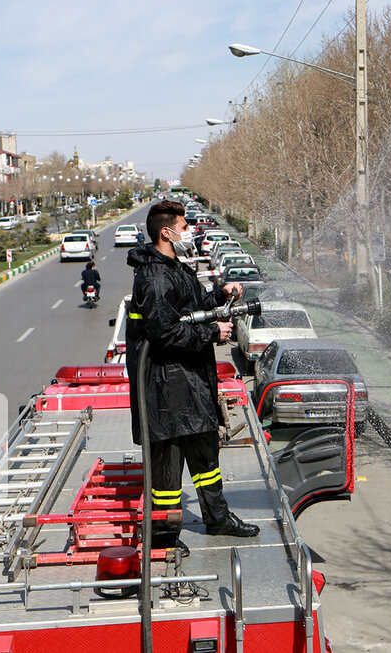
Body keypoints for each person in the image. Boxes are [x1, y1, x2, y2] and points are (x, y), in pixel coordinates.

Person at [126, 200, 259, 553]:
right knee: (167, 473)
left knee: (206, 460)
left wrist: (220, 294)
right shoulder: (153, 277)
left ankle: (217, 520)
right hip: (165, 390)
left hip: (190, 384)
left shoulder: (174, 267)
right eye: (185, 227)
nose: (190, 232)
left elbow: (193, 306)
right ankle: (165, 538)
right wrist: (212, 334)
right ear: (166, 232)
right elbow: (164, 334)